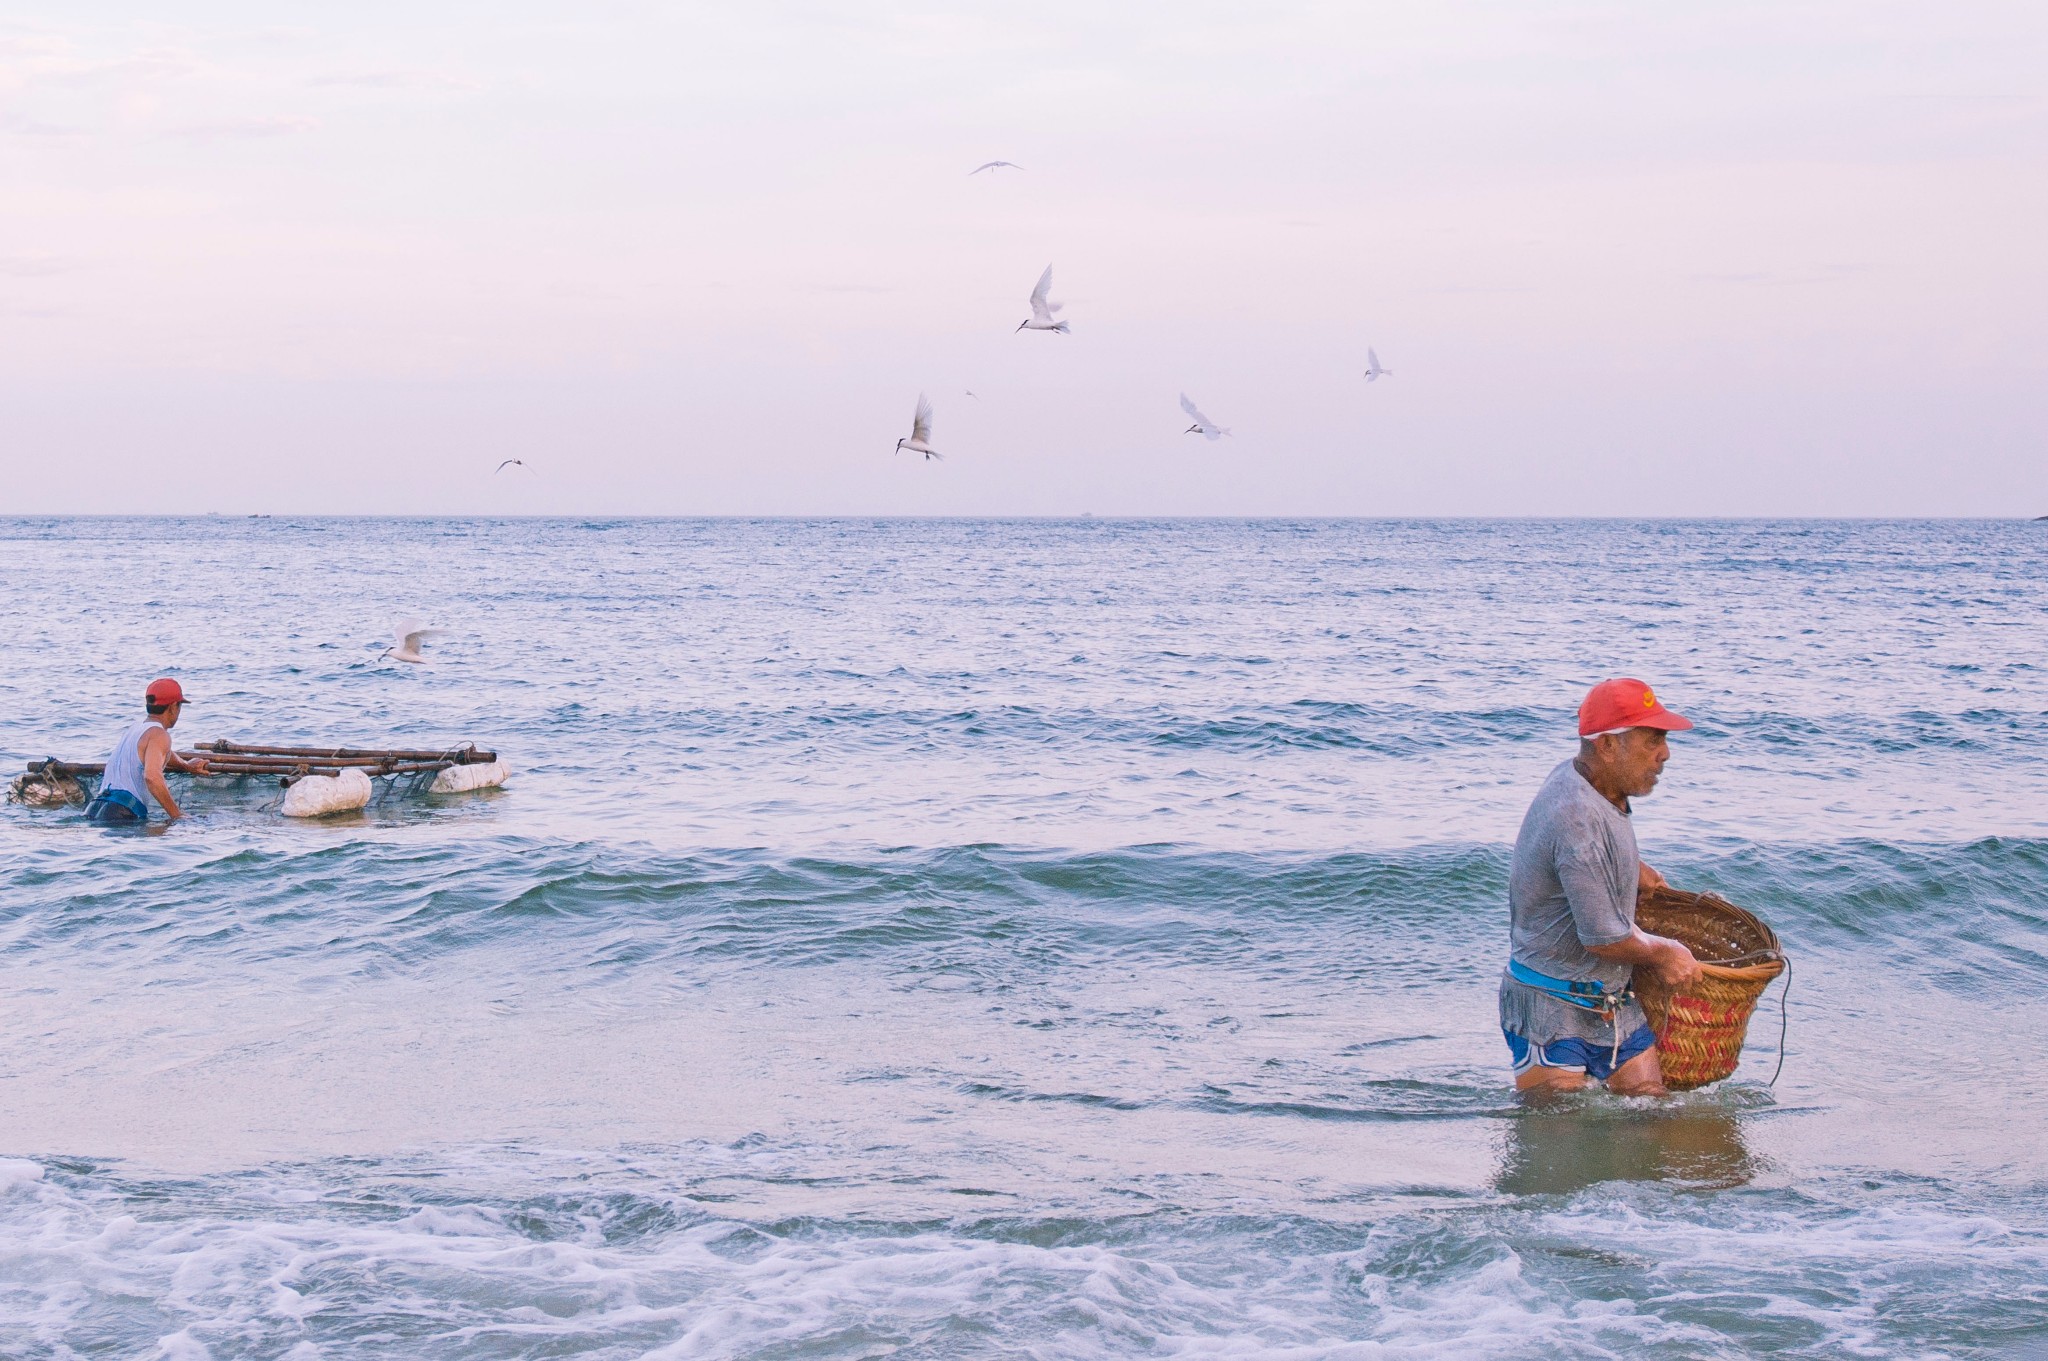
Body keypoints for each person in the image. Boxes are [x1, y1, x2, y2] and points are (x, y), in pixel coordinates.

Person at [1500, 678, 1705, 1097]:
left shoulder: (1588, 780)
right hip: (1550, 1005)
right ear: (1608, 745)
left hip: (1612, 1002)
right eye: (1652, 740)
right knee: (1556, 1130)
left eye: (1664, 739)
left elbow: (1580, 854)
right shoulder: (1577, 817)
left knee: (1653, 1111)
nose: (1665, 753)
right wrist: (1665, 952)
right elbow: (1604, 939)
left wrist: (1632, 867)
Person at [83, 678, 210, 824]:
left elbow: (160, 753)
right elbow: (152, 778)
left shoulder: (135, 728)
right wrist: (177, 815)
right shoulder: (159, 735)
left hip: (95, 807)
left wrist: (186, 765)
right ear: (173, 707)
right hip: (121, 812)